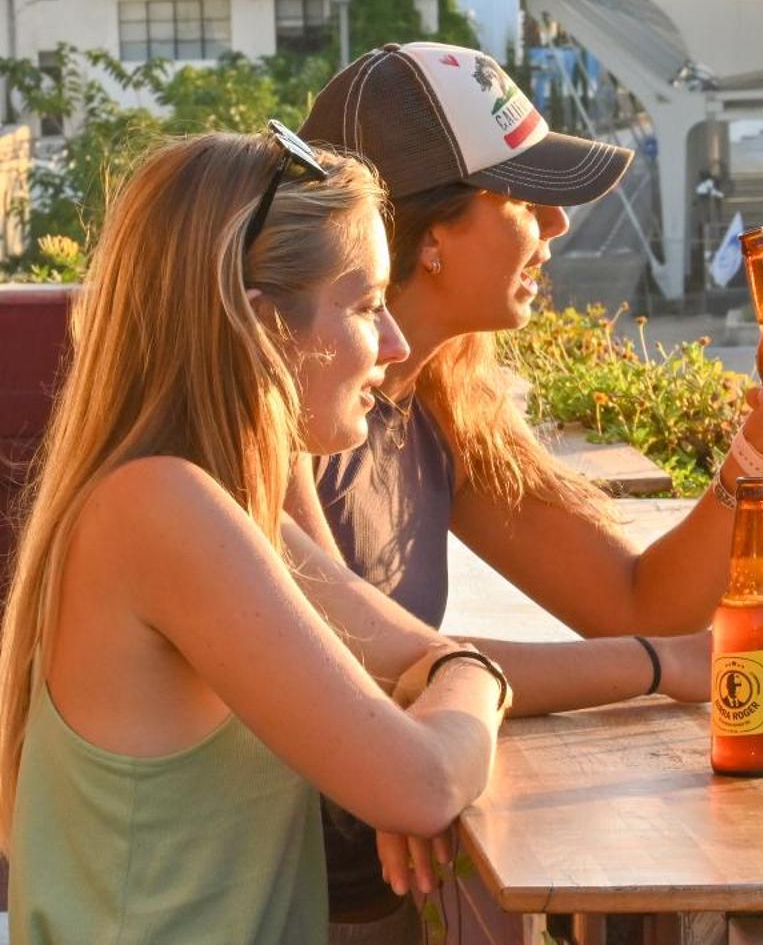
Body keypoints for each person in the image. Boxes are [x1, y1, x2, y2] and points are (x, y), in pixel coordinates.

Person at [296, 43, 763, 936]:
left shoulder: (440, 399)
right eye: (524, 200)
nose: (558, 226)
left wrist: (756, 456)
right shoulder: (288, 420)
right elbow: (374, 679)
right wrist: (659, 668)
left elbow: (634, 600)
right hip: (298, 893)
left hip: (390, 880)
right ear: (431, 236)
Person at [0, 130, 502, 941]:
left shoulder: (224, 511)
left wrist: (445, 683)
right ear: (264, 328)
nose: (397, 345)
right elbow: (421, 783)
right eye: (368, 305)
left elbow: (410, 668)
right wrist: (472, 676)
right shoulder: (162, 512)